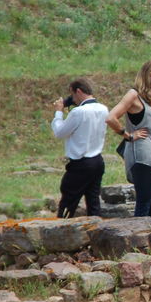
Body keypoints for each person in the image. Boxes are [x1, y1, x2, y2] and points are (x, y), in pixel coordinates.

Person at [106, 60, 151, 217]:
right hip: (141, 156)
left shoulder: (149, 97)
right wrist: (127, 135)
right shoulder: (133, 95)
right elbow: (111, 118)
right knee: (145, 200)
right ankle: (138, 235)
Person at [51, 78, 109, 218]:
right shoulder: (103, 109)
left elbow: (59, 132)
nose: (72, 99)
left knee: (68, 201)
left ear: (78, 91)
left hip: (81, 163)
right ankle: (96, 232)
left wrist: (59, 112)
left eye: (72, 95)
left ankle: (61, 231)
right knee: (93, 202)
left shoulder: (79, 112)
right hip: (97, 161)